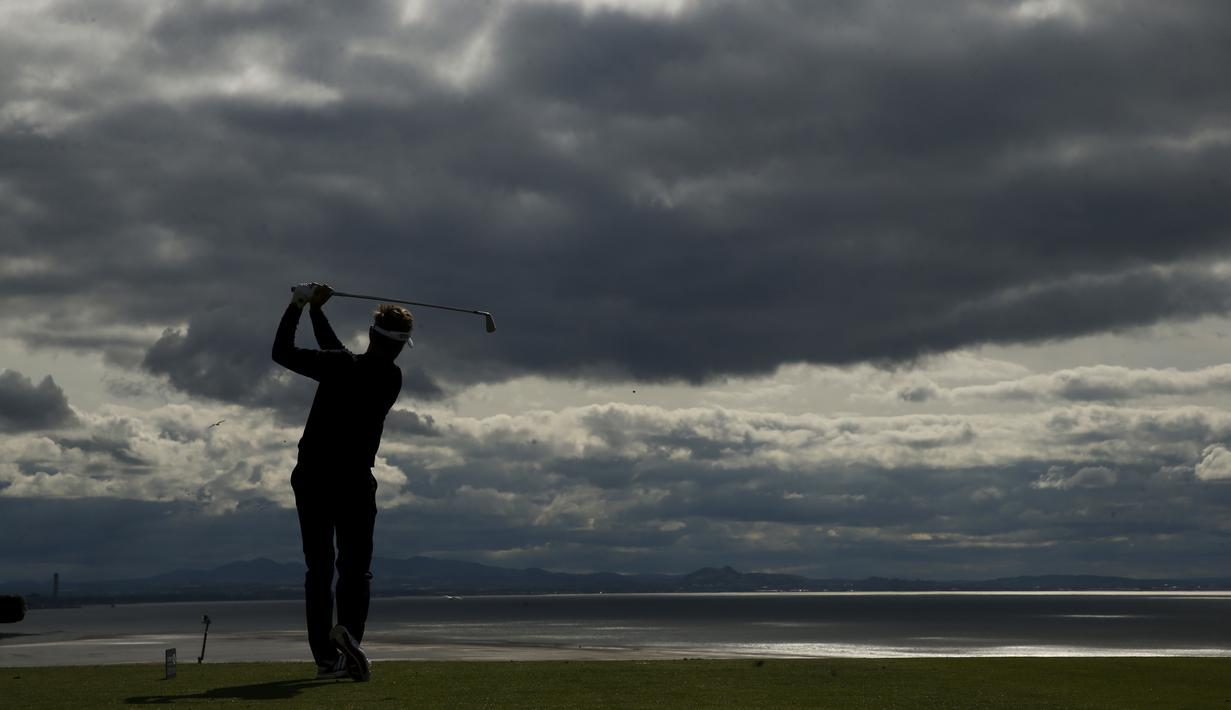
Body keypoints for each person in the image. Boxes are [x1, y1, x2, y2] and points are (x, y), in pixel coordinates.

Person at [271, 282, 413, 681]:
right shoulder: (391, 378)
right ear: (400, 346)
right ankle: (348, 636)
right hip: (355, 480)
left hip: (314, 477)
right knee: (355, 571)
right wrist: (317, 312)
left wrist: (298, 304)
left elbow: (281, 352)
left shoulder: (339, 367)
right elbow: (343, 357)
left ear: (371, 336)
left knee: (319, 570)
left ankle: (325, 660)